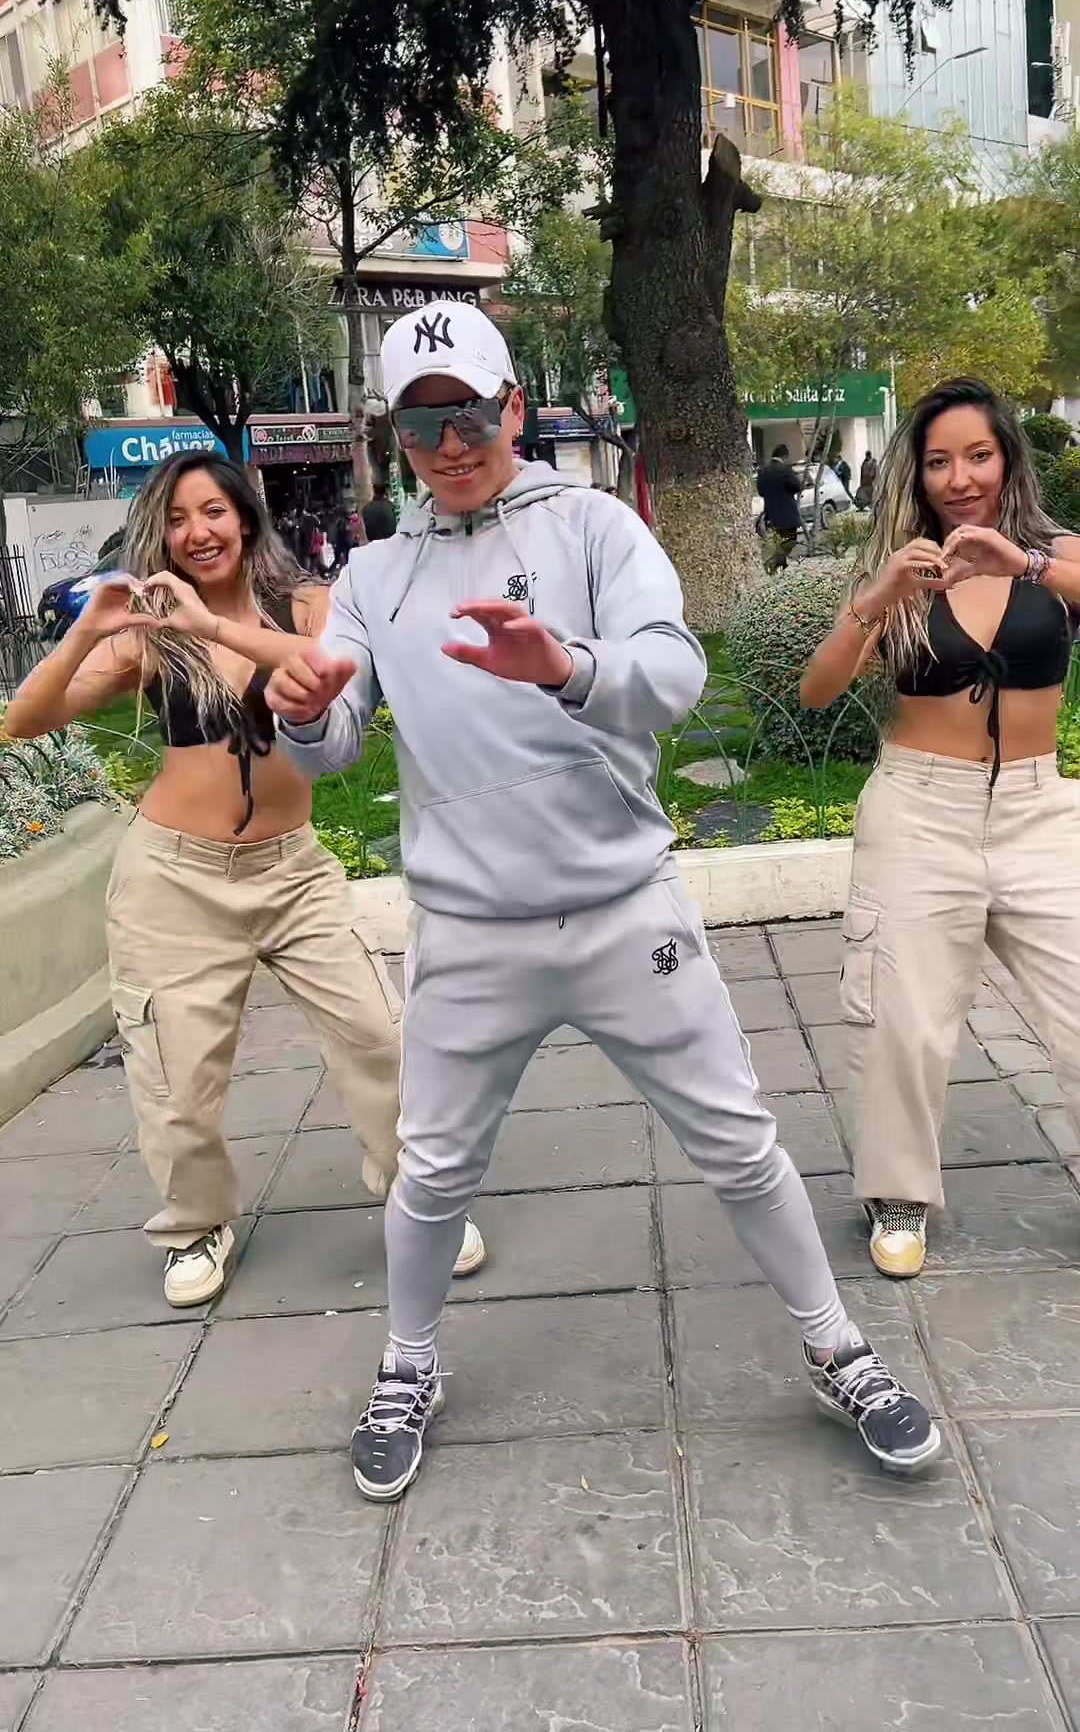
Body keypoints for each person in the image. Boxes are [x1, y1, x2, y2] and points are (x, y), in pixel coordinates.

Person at [266, 297, 940, 1504]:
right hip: (471, 933)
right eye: (421, 427)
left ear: (514, 407)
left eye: (471, 416)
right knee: (432, 1172)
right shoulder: (372, 574)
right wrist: (308, 711)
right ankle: (408, 1362)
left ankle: (836, 1344)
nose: (450, 446)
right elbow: (334, 741)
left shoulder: (593, 528)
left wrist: (566, 667)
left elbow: (674, 673)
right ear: (393, 437)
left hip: (626, 910)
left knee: (738, 1141)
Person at [5, 451, 485, 1307]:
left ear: (246, 517)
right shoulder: (151, 633)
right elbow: (25, 719)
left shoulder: (306, 604)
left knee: (380, 1035)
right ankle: (195, 1225)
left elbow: (338, 673)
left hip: (292, 871)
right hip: (174, 880)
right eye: (177, 519)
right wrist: (90, 629)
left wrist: (217, 628)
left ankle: (420, 1198)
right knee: (176, 1076)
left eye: (213, 511)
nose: (197, 532)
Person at [800, 377, 1080, 1279]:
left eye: (978, 456)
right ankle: (898, 1193)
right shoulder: (903, 571)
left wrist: (1021, 562)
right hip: (920, 811)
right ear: (917, 475)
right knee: (904, 1018)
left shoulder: (1054, 555)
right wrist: (878, 596)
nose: (960, 478)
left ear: (1008, 460)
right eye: (939, 462)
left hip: (1039, 809)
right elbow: (818, 690)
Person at [757, 444, 802, 571]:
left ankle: (779, 563)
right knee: (790, 540)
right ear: (785, 456)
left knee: (778, 539)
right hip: (787, 511)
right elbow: (797, 486)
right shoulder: (785, 469)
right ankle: (778, 562)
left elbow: (761, 491)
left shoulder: (763, 471)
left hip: (771, 511)